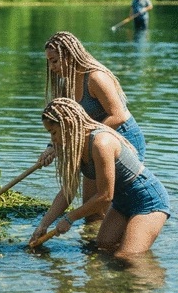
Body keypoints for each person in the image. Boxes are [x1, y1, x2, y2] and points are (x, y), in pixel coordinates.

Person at [30, 98, 170, 258]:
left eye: (53, 133)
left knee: (126, 256)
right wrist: (43, 225)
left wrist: (70, 218)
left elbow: (105, 196)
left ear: (68, 124)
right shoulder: (73, 146)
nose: (53, 140)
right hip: (121, 203)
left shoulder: (100, 143)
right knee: (104, 246)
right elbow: (68, 192)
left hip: (147, 200)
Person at [40, 31, 146, 220]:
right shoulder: (68, 85)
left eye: (54, 61)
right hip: (91, 142)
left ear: (70, 55)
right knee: (91, 211)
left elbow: (119, 115)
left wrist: (81, 139)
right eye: (49, 61)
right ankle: (93, 243)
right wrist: (52, 147)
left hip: (123, 138)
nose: (51, 67)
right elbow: (62, 121)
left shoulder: (96, 77)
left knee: (110, 200)